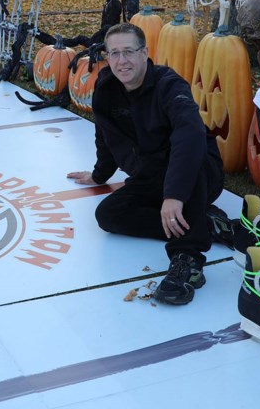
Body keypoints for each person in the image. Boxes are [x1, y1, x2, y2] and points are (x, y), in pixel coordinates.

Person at [66, 22, 232, 305]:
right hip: (151, 174)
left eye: (129, 52)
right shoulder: (106, 88)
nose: (122, 61)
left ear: (145, 53)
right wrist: (99, 175)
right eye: (114, 53)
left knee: (190, 154)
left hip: (196, 173)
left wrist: (174, 195)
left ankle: (187, 260)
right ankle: (207, 224)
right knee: (109, 214)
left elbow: (190, 136)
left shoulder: (169, 85)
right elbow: (104, 134)